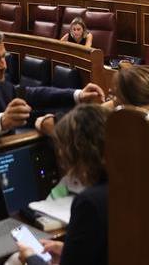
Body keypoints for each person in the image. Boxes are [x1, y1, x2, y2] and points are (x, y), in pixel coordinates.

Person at [0, 23, 104, 147]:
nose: (4, 65)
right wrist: (2, 121)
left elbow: (33, 95)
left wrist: (78, 95)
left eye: (3, 57)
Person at [15, 104, 110, 265]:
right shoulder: (133, 183)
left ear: (76, 152)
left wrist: (31, 257)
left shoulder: (89, 202)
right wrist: (68, 250)